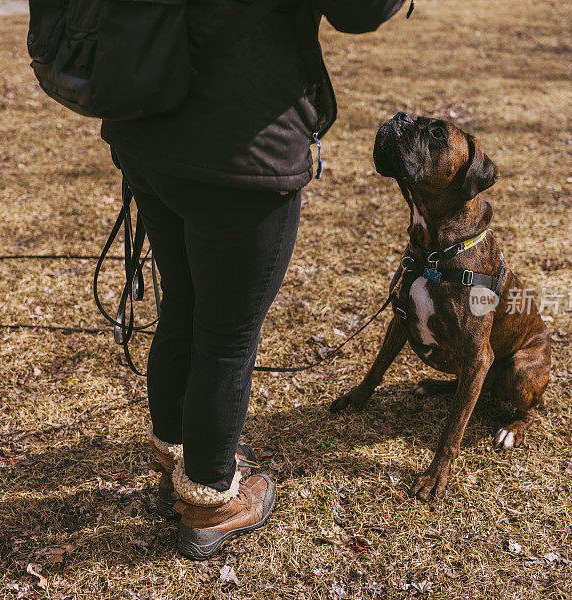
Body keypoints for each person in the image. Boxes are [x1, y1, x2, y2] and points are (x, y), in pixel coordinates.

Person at [100, 0, 406, 560]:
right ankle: (211, 498)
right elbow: (359, 11)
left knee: (184, 305)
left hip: (145, 122)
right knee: (226, 334)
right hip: (240, 147)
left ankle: (176, 458)